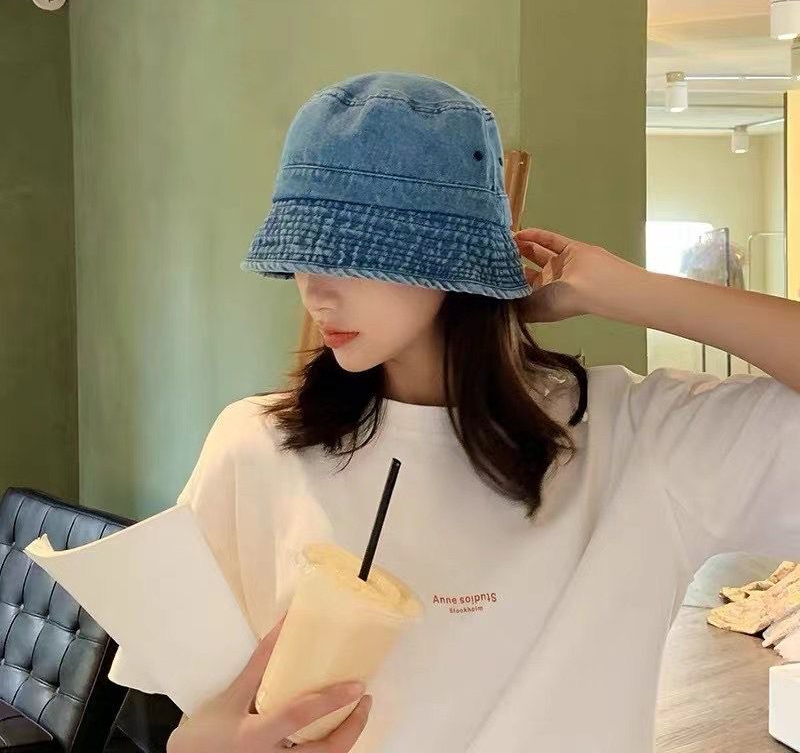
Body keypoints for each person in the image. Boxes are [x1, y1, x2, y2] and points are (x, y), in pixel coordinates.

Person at [119, 72, 800, 752]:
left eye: (351, 256)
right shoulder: (255, 445)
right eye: (301, 255)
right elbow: (195, 710)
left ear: (447, 260)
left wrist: (626, 291)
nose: (315, 290)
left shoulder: (640, 439)